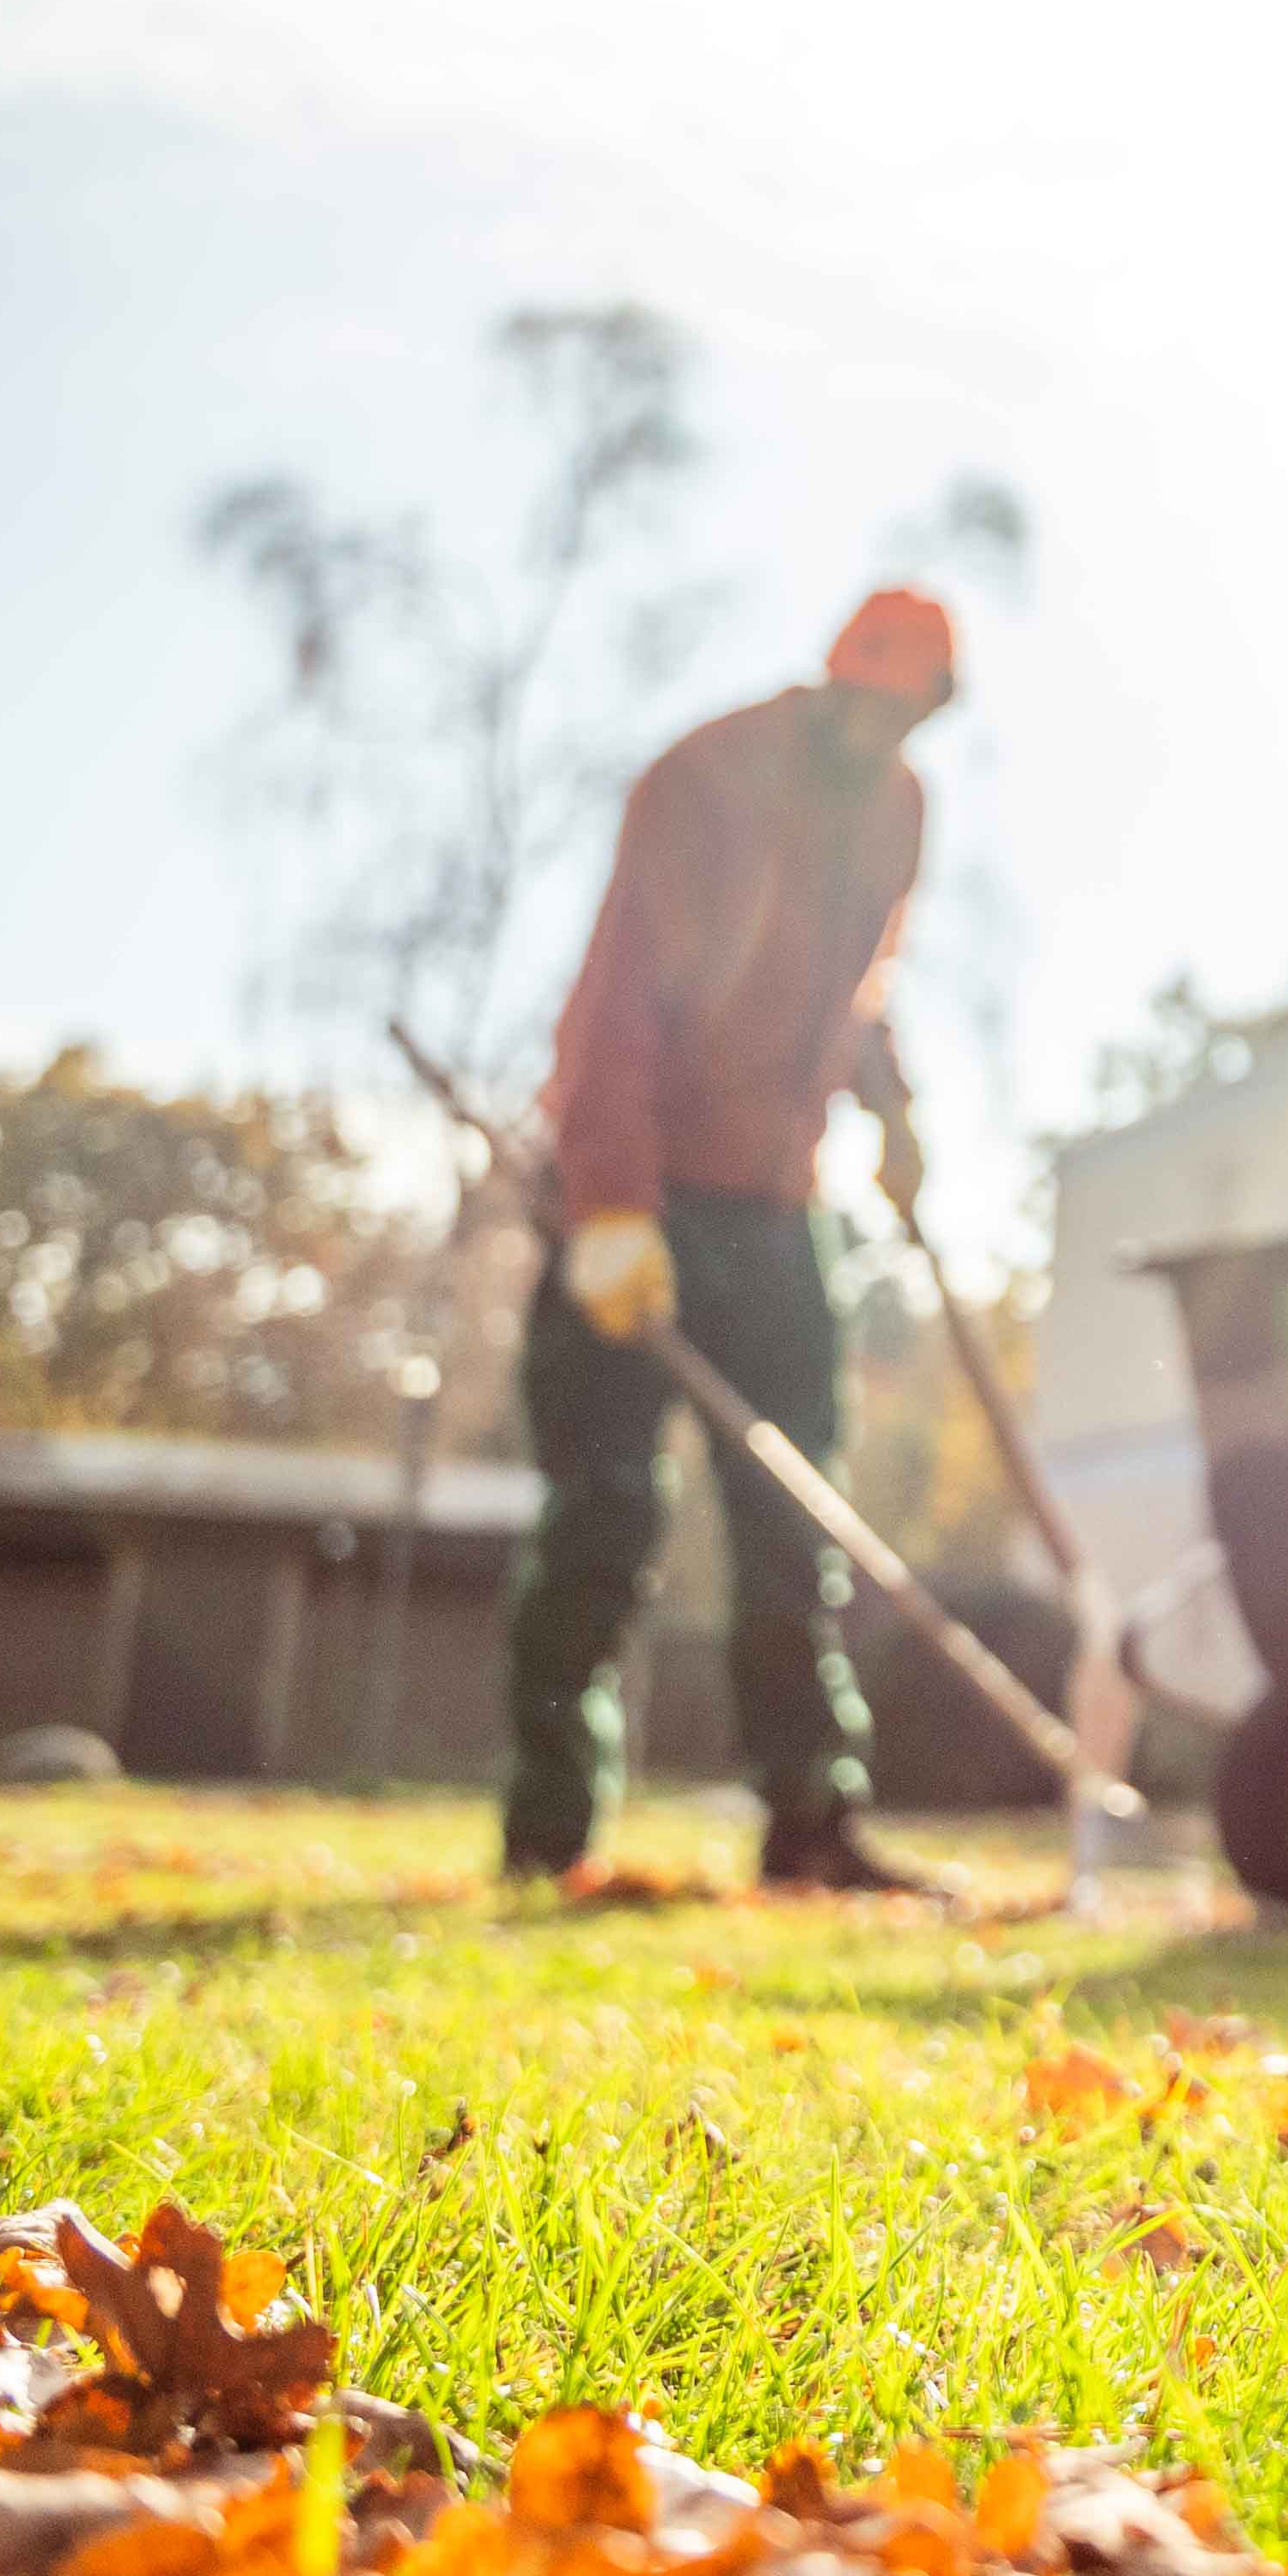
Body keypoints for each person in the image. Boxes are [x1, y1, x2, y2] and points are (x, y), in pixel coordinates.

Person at [503, 589, 962, 1893]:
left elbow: (852, 994)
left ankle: (812, 1828)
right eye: (870, 699)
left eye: (912, 707)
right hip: (639, 1190)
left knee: (792, 1525)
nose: (886, 726)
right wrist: (607, 1207)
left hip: (774, 1211)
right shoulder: (704, 777)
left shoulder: (900, 812)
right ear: (831, 682)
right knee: (603, 1514)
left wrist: (896, 1116)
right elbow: (617, 1002)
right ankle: (549, 1834)